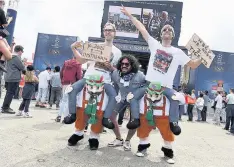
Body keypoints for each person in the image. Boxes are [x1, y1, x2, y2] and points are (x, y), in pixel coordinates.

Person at [120, 6, 202, 135]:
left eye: (170, 29)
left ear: (173, 36)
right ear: (161, 34)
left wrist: (203, 57)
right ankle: (135, 119)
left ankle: (174, 122)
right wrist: (130, 15)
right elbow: (141, 28)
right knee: (133, 97)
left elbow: (193, 64)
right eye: (165, 29)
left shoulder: (178, 52)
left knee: (175, 98)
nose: (167, 30)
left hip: (166, 88)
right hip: (148, 85)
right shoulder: (154, 44)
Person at [64, 22, 122, 129]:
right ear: (103, 32)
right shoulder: (95, 46)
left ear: (115, 33)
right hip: (88, 77)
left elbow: (116, 71)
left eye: (110, 30)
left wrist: (110, 67)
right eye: (106, 30)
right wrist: (73, 49)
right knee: (71, 90)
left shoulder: (117, 52)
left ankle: (106, 118)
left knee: (114, 96)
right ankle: (72, 114)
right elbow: (81, 61)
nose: (108, 32)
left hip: (105, 80)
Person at [108, 54, 146, 150]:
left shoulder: (140, 76)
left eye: (127, 64)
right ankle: (119, 139)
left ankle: (128, 140)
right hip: (122, 98)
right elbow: (114, 84)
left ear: (132, 65)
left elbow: (146, 87)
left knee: (134, 121)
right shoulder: (116, 74)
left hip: (135, 100)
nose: (124, 66)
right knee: (110, 116)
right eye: (122, 64)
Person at [55, 57, 82, 122]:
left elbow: (61, 73)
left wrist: (62, 81)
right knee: (68, 101)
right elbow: (79, 75)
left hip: (65, 83)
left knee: (63, 100)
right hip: (72, 84)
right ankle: (65, 118)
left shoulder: (66, 62)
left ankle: (59, 116)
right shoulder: (78, 64)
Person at [1, 45, 24, 114]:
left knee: (8, 93)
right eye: (22, 51)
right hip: (14, 78)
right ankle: (5, 108)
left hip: (8, 77)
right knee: (10, 93)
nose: (22, 53)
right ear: (19, 51)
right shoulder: (16, 57)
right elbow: (22, 67)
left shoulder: (9, 55)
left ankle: (5, 106)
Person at [0, 0, 13, 72]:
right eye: (3, 4)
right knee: (9, 55)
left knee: (8, 47)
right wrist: (9, 20)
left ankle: (1, 62)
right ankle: (1, 62)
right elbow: (5, 24)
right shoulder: (1, 11)